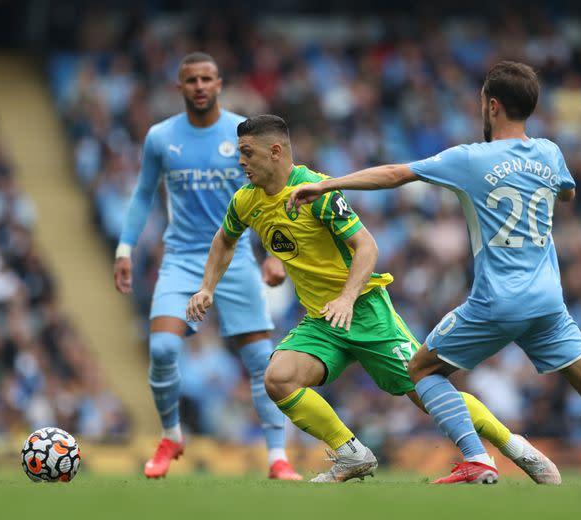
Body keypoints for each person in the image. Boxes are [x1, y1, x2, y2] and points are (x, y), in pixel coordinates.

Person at [287, 61, 581, 486]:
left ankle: (476, 458)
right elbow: (567, 194)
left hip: (497, 300)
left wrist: (327, 183)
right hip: (547, 301)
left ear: (492, 105)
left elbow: (394, 173)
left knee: (422, 368)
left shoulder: (470, 159)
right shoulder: (549, 152)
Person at [187, 114, 561, 485]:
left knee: (428, 393)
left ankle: (516, 448)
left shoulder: (316, 191)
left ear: (274, 151)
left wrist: (348, 298)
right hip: (323, 321)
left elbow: (366, 245)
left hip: (365, 311)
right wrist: (207, 287)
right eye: (239, 153)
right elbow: (224, 239)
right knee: (278, 378)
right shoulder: (245, 201)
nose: (240, 162)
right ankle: (351, 454)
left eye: (247, 153)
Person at [113, 52, 300, 480]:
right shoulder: (161, 138)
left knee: (261, 361)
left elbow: (274, 193)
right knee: (161, 349)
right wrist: (125, 248)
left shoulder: (242, 134)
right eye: (191, 80)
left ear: (219, 84)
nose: (199, 86)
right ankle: (171, 435)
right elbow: (143, 195)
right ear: (179, 88)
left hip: (234, 259)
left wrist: (274, 254)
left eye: (206, 79)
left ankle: (277, 457)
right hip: (181, 258)